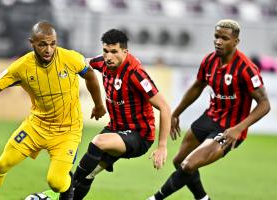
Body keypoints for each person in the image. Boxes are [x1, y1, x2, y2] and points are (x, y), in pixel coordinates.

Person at [0, 21, 106, 200]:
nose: (49, 49)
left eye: (52, 43)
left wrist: (98, 104)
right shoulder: (21, 67)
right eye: (42, 44)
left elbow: (90, 76)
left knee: (56, 182)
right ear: (32, 43)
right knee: (0, 167)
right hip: (36, 127)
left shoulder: (70, 58)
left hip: (68, 131)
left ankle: (65, 188)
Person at [147, 19, 270, 200]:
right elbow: (197, 86)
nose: (218, 41)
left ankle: (155, 198)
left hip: (230, 129)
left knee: (188, 165)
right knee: (179, 161)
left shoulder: (246, 68)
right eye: (216, 36)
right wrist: (176, 113)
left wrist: (239, 128)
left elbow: (264, 104)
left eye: (225, 38)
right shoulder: (209, 60)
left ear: (236, 41)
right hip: (209, 118)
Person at [71, 29, 171, 200]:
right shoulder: (103, 63)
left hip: (139, 135)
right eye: (105, 51)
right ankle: (70, 192)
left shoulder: (136, 73)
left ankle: (65, 187)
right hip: (116, 129)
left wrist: (162, 146)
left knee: (98, 142)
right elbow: (81, 63)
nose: (108, 57)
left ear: (125, 52)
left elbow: (165, 107)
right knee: (89, 175)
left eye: (114, 52)